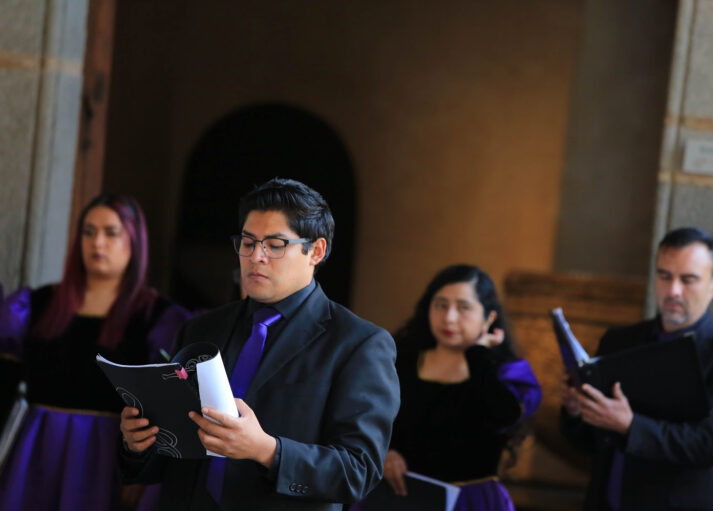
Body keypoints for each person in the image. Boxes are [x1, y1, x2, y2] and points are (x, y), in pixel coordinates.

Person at [119, 177, 400, 511]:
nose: (256, 257)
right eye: (248, 242)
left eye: (275, 244)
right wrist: (139, 444)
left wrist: (267, 450)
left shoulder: (359, 344)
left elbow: (359, 472)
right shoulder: (201, 329)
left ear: (317, 251)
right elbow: (173, 453)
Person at [0, 193, 191, 510]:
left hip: (107, 457)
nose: (97, 243)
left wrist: (143, 470)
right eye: (88, 232)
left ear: (134, 241)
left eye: (110, 232)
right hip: (38, 450)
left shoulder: (158, 318)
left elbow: (164, 406)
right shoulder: (37, 305)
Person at [560, 227, 713, 511]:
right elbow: (590, 445)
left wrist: (630, 425)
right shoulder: (619, 341)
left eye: (688, 279)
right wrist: (576, 410)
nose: (673, 290)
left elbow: (710, 446)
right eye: (664, 276)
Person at [379, 264, 541, 511]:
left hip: (472, 502)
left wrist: (478, 354)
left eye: (464, 307)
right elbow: (368, 421)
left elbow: (505, 416)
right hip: (402, 495)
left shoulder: (505, 371)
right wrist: (385, 453)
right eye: (441, 305)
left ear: (489, 317)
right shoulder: (400, 361)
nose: (449, 317)